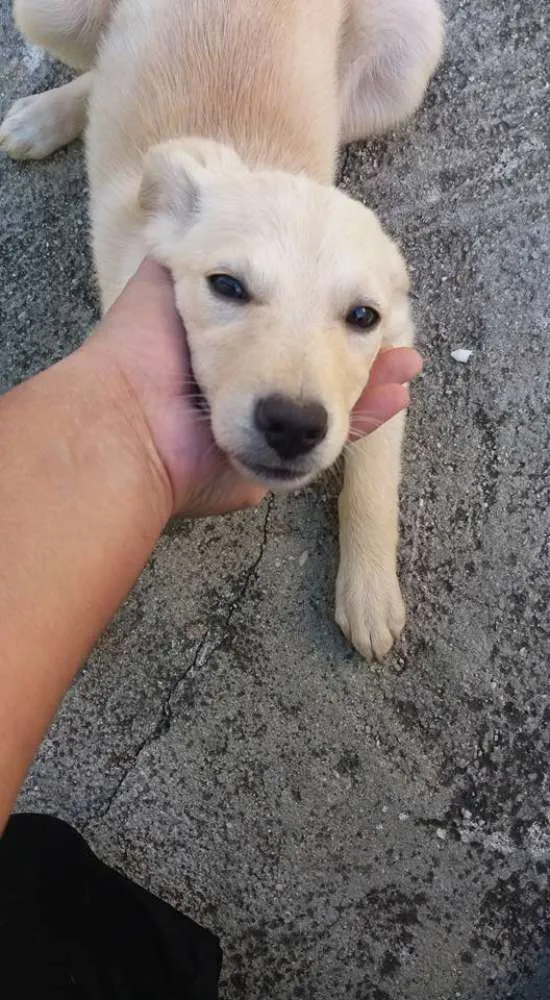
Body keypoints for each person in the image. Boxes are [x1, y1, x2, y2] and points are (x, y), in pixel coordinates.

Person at [0, 259, 421, 996]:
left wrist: (369, 539)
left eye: (359, 317)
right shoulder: (164, 260)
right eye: (231, 287)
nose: (296, 409)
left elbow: (384, 360)